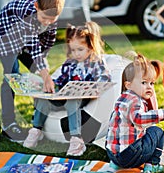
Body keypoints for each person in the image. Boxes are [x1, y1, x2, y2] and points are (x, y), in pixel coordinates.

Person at [23, 21, 111, 156]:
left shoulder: (96, 62)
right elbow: (59, 79)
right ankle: (36, 130)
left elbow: (105, 79)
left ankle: (76, 139)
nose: (76, 54)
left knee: (72, 101)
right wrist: (47, 85)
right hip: (63, 95)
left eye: (80, 50)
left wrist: (93, 88)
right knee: (42, 100)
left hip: (81, 97)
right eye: (73, 50)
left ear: (91, 46)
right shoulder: (70, 63)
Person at [0, 0, 65, 142]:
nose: (49, 22)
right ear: (36, 6)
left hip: (26, 36)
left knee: (39, 73)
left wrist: (42, 69)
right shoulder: (28, 13)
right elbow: (33, 45)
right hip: (7, 32)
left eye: (53, 19)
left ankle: (38, 117)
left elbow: (48, 42)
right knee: (12, 76)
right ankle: (9, 124)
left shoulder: (50, 16)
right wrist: (44, 73)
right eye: (45, 18)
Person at [105, 52, 164, 173]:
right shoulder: (135, 100)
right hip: (128, 155)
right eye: (144, 83)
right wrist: (161, 114)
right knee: (157, 132)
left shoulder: (122, 99)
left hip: (112, 154)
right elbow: (139, 119)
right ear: (129, 85)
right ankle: (152, 165)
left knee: (138, 133)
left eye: (151, 83)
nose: (149, 87)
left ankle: (115, 165)